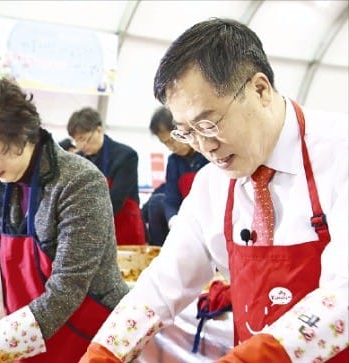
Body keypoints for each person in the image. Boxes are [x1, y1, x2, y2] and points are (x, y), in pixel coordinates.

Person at [80, 18, 347, 363]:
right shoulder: (213, 184)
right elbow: (162, 284)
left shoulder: (341, 151)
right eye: (187, 132)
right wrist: (107, 350)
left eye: (210, 123)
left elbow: (344, 296)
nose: (205, 146)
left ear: (260, 89)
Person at [0, 74, 129, 362]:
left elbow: (66, 289)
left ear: (19, 133)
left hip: (86, 335)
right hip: (26, 335)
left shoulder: (79, 182)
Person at [67, 107, 146, 245]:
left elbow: (116, 199)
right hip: (91, 231)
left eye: (84, 139)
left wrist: (88, 220)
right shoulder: (77, 160)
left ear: (99, 130)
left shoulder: (125, 156)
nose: (81, 145)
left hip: (123, 227)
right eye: (76, 141)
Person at [147, 106, 208, 243]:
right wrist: (173, 220)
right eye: (165, 144)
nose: (171, 148)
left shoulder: (208, 153)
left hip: (208, 217)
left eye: (171, 141)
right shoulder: (174, 161)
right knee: (156, 202)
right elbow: (171, 198)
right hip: (184, 220)